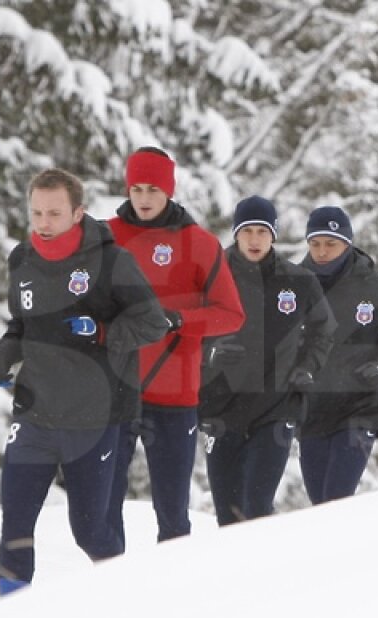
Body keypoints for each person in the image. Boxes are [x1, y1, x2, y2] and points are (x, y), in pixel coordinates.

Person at [0, 168, 168, 597]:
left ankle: (122, 597)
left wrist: (102, 333)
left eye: (54, 213)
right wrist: (5, 355)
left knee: (90, 532)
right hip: (35, 410)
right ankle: (9, 611)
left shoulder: (111, 261)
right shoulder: (22, 259)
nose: (43, 223)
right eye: (36, 213)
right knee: (15, 518)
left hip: (96, 415)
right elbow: (21, 324)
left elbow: (152, 323)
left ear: (78, 212)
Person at [104, 147, 245, 544]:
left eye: (153, 189)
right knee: (102, 508)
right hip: (115, 391)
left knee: (172, 512)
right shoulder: (105, 237)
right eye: (137, 188)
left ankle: (175, 595)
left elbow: (231, 314)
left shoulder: (197, 243)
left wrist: (180, 321)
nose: (144, 198)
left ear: (169, 190)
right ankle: (106, 586)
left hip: (174, 394)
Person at [199, 196, 336, 525]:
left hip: (275, 408)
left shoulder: (299, 280)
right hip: (220, 408)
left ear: (273, 235)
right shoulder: (211, 278)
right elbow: (187, 330)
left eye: (262, 231)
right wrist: (210, 353)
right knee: (228, 516)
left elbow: (324, 329)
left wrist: (306, 367)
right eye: (248, 232)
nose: (255, 239)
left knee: (258, 507)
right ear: (236, 235)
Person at [296, 206, 378, 504]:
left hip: (359, 409)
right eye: (315, 244)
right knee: (321, 505)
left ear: (348, 243)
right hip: (309, 412)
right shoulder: (293, 286)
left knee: (337, 498)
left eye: (331, 243)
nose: (322, 251)